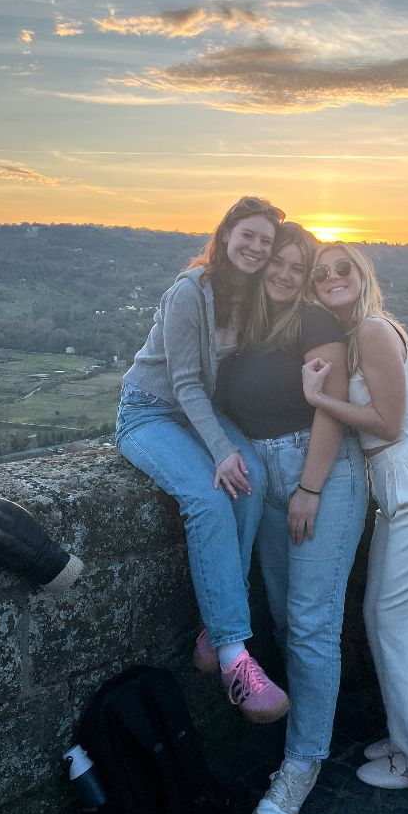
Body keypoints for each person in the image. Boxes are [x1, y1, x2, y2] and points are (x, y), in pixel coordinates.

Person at [302, 243, 408, 792]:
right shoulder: (357, 337)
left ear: (362, 274)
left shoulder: (374, 331)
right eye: (321, 273)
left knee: (407, 628)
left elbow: (388, 424)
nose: (332, 277)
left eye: (342, 268)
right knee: (385, 619)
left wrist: (318, 399)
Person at [213, 223, 368, 814]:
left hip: (318, 474)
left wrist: (309, 486)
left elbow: (328, 410)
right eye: (276, 261)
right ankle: (318, 724)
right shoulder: (246, 320)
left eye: (296, 267)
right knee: (284, 615)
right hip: (263, 474)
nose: (281, 273)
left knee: (309, 623)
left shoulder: (315, 324)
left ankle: (303, 762)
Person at [115, 195, 289, 723]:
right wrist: (221, 451)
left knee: (251, 479)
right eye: (249, 235)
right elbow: (186, 383)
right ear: (226, 233)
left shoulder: (249, 295)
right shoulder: (191, 292)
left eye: (267, 241)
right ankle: (235, 654)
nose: (257, 248)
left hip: (197, 413)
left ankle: (213, 632)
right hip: (150, 412)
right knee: (208, 499)